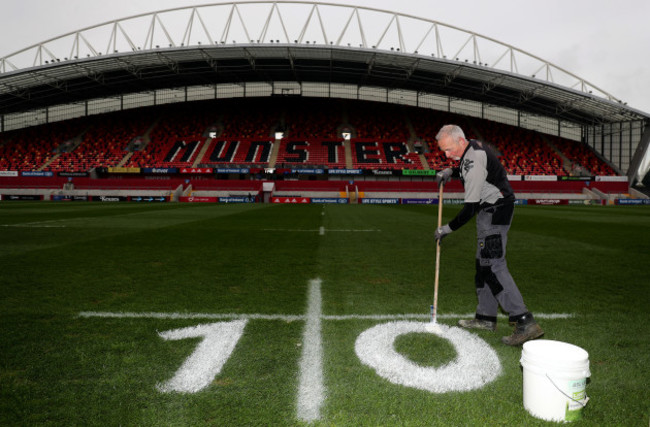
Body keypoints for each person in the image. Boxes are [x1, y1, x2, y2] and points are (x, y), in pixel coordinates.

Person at [433, 124, 543, 346]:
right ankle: (485, 318)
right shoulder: (470, 149)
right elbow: (465, 167)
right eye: (443, 151)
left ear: (460, 141)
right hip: (491, 211)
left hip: (494, 211)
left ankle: (524, 321)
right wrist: (450, 170)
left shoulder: (473, 161)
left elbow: (470, 208)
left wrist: (447, 229)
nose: (446, 154)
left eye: (448, 149)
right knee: (482, 265)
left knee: (493, 266)